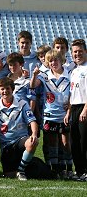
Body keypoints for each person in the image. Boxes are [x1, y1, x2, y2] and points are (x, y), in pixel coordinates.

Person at [0, 77, 39, 181]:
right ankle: (18, 169)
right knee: (9, 175)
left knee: (32, 142)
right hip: (6, 146)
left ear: (12, 89)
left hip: (20, 141)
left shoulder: (22, 104)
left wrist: (34, 134)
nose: (5, 91)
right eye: (2, 89)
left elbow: (32, 121)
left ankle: (21, 171)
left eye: (7, 88)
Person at [31, 50, 74, 179]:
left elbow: (74, 94)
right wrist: (34, 75)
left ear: (61, 60)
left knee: (66, 143)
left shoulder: (69, 74)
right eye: (50, 61)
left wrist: (69, 108)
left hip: (65, 115)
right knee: (52, 143)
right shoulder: (44, 75)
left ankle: (68, 168)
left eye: (55, 60)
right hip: (50, 115)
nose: (53, 63)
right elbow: (32, 85)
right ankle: (55, 170)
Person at [65, 39, 87, 181]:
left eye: (80, 51)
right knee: (74, 141)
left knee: (85, 142)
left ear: (85, 52)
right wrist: (68, 112)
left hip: (84, 107)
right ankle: (79, 171)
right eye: (75, 52)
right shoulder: (73, 70)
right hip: (74, 108)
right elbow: (73, 93)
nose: (77, 54)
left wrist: (85, 110)